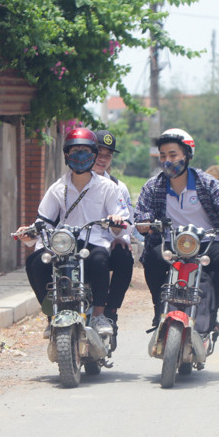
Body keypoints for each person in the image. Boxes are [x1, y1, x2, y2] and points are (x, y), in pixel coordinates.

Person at [134, 128, 219, 334]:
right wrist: (143, 223)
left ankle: (210, 313)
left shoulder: (207, 183)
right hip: (172, 243)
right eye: (162, 156)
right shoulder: (153, 186)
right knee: (152, 259)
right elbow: (143, 212)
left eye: (173, 155)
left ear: (187, 155)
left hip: (207, 243)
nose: (167, 161)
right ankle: (159, 309)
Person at [17, 127, 129, 339]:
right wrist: (29, 232)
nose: (80, 156)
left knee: (99, 260)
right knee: (35, 263)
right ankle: (51, 316)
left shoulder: (108, 187)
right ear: (66, 155)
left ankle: (98, 315)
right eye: (75, 151)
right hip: (63, 244)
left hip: (95, 242)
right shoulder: (57, 188)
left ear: (93, 155)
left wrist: (117, 222)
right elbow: (44, 221)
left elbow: (121, 218)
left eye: (86, 151)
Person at [92, 130, 134, 349]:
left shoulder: (119, 186)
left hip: (108, 243)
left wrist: (122, 236)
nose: (102, 159)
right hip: (79, 245)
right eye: (98, 153)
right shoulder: (70, 181)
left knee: (125, 258)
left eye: (107, 156)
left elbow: (129, 221)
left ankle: (111, 312)